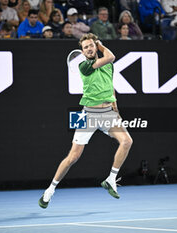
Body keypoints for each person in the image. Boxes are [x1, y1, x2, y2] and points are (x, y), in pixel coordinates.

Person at [38, 33, 133, 209]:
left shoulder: (107, 66)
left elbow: (110, 86)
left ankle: (111, 179)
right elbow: (111, 56)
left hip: (107, 113)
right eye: (86, 47)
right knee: (73, 156)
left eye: (91, 45)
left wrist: (116, 108)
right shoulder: (84, 66)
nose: (89, 49)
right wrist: (100, 44)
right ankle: (50, 189)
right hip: (86, 114)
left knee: (127, 141)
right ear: (82, 52)